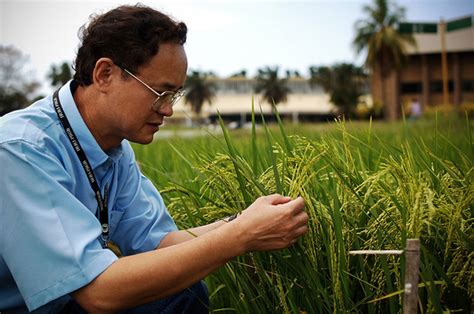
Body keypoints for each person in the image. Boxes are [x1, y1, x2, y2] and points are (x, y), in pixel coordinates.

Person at [0, 4, 308, 313]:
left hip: (65, 304)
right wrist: (240, 236)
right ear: (105, 74)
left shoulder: (114, 150)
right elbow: (98, 293)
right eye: (159, 92)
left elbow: (158, 242)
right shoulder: (22, 148)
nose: (168, 109)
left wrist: (244, 221)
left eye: (173, 95)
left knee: (182, 292)